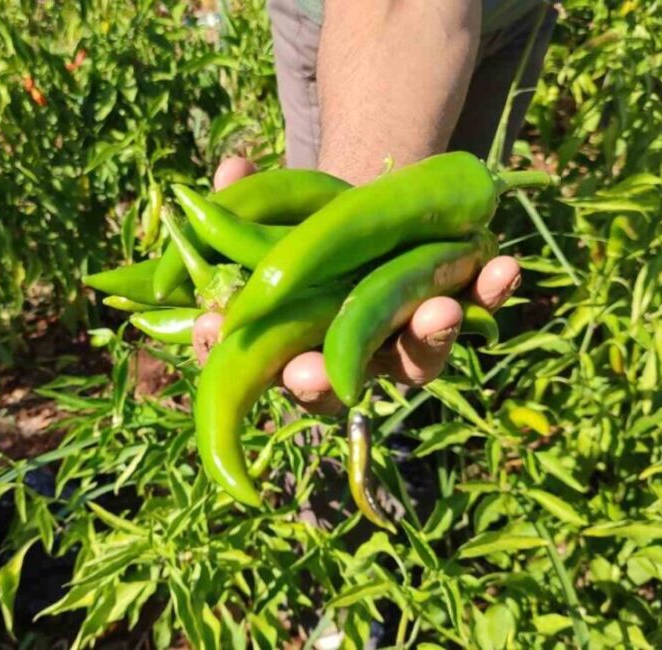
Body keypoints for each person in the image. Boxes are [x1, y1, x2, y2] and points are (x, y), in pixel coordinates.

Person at [193, 0, 557, 413]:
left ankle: (393, 421)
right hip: (357, 32)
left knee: (430, 290)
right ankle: (330, 438)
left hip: (515, 16)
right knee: (339, 343)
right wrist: (360, 216)